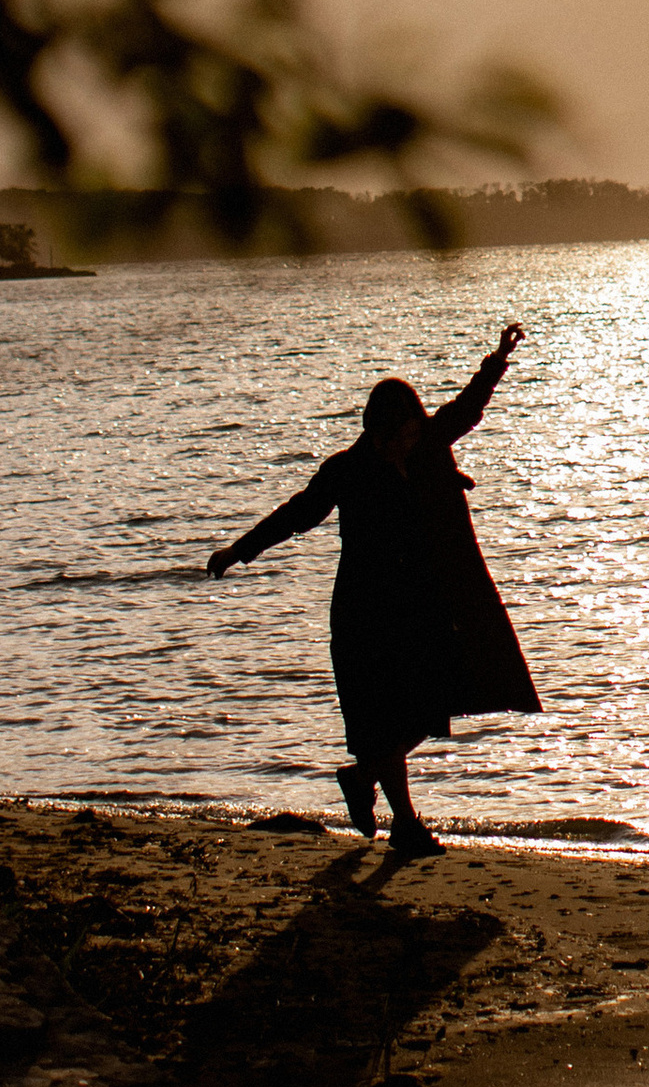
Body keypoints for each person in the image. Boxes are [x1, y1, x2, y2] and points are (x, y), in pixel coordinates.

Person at [206, 320, 538, 857]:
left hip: (416, 608)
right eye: (397, 437)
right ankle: (405, 826)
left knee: (426, 710)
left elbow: (468, 407)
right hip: (364, 613)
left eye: (412, 432)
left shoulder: (429, 445)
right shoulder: (348, 471)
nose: (407, 443)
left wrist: (497, 359)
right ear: (376, 433)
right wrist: (237, 551)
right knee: (384, 722)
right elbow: (295, 515)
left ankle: (362, 783)